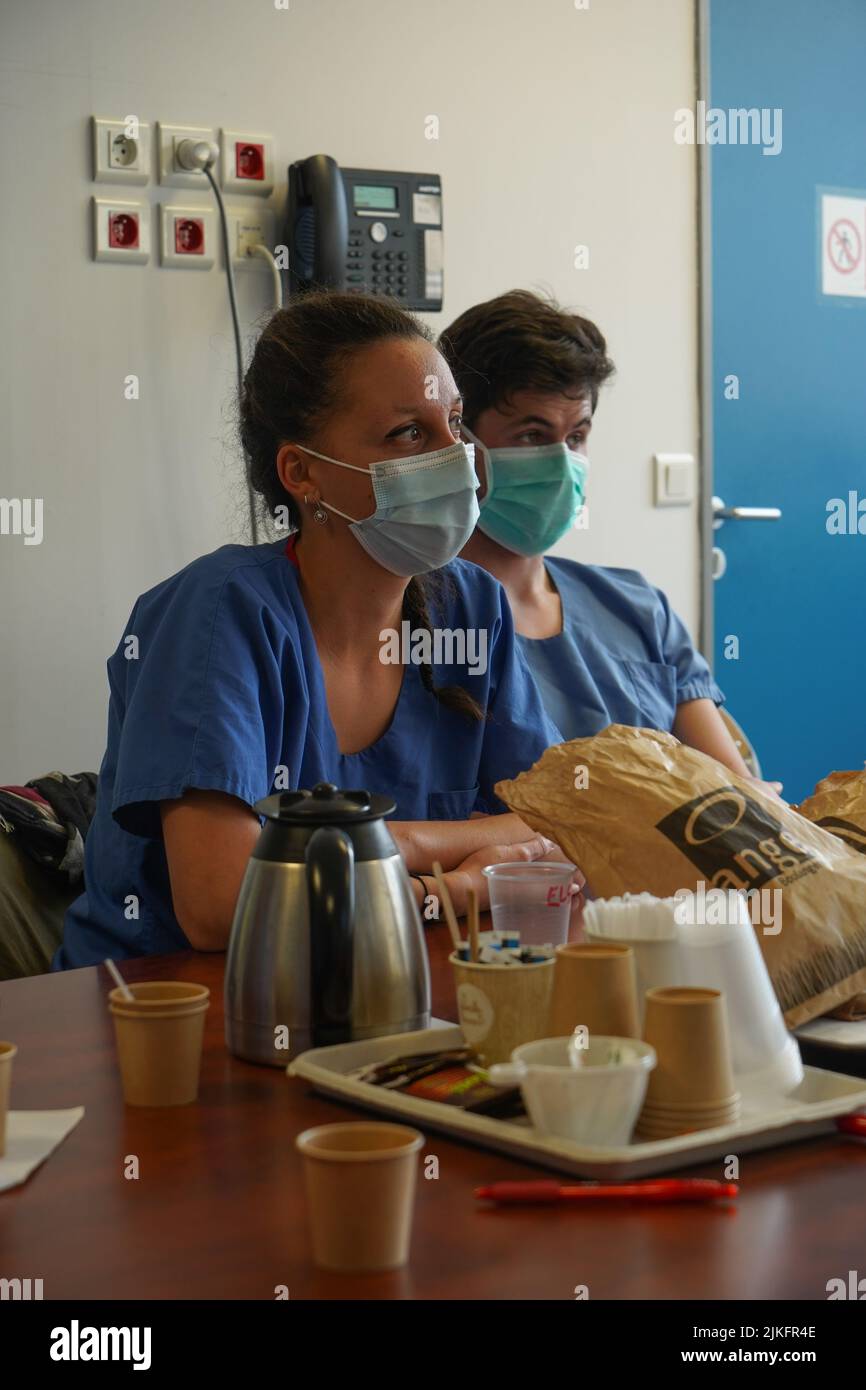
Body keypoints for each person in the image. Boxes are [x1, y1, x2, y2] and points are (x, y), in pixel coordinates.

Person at [55, 293, 567, 969]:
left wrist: (361, 857)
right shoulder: (218, 615)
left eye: (455, 423)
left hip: (393, 980)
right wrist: (445, 874)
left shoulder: (469, 606)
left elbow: (561, 824)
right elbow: (222, 904)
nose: (460, 460)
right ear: (302, 474)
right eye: (408, 434)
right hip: (175, 1011)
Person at [439, 289, 781, 791]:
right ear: (461, 441)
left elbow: (734, 794)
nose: (561, 462)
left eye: (576, 437)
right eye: (532, 435)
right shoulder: (420, 619)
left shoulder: (636, 608)